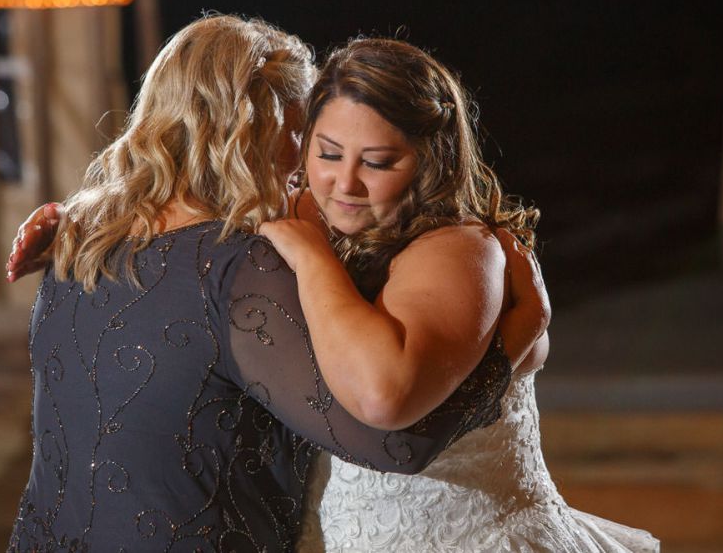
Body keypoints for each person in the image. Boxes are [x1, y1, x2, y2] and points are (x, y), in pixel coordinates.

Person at [5, 14, 542, 552]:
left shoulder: (81, 242)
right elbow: (392, 445)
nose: (311, 168)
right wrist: (520, 334)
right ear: (257, 130)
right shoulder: (244, 265)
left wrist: (70, 211)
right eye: (309, 139)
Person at [254, 38, 661, 552]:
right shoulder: (327, 220)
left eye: (377, 163)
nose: (344, 183)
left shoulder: (455, 249)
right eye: (328, 153)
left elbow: (384, 396)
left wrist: (313, 261)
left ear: (430, 161)